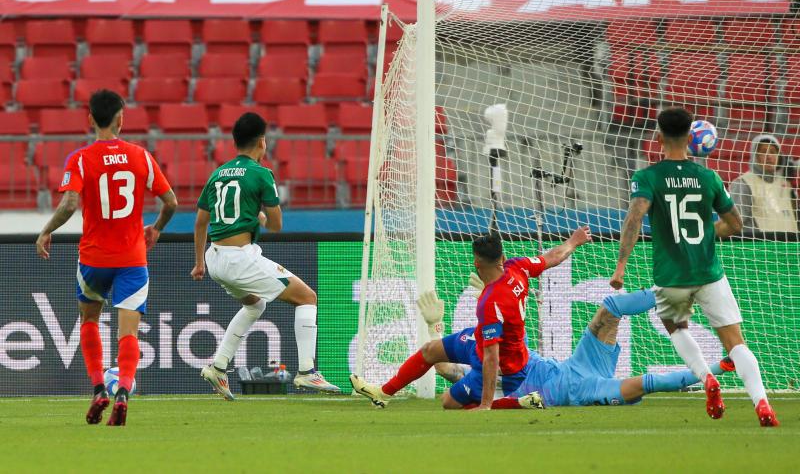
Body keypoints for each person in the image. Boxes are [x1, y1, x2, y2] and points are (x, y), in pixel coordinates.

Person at [610, 107, 779, 427]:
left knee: (676, 328)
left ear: (657, 138)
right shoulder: (708, 177)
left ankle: (707, 380)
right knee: (735, 342)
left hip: (671, 274)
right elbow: (735, 223)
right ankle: (763, 405)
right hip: (708, 271)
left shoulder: (647, 177)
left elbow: (634, 218)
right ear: (691, 138)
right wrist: (707, 233)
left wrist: (620, 268)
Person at [35, 89, 178, 426]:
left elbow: (70, 203)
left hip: (94, 259)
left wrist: (46, 230)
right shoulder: (141, 156)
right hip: (132, 258)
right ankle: (124, 392)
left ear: (90, 119)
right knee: (128, 333)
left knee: (89, 321)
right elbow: (171, 201)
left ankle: (99, 387)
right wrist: (156, 228)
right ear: (121, 119)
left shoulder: (81, 158)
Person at [350, 227, 592, 410]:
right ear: (502, 256)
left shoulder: (490, 303)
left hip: (504, 369)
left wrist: (485, 405)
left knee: (448, 402)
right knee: (430, 350)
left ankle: (517, 403)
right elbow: (552, 257)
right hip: (482, 345)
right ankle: (383, 394)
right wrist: (574, 241)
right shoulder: (518, 266)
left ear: (476, 263)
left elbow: (491, 358)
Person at [192, 112, 339, 400]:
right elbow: (276, 224)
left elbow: (200, 222)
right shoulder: (261, 174)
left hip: (215, 258)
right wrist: (259, 217)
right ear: (262, 142)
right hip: (240, 258)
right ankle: (308, 373)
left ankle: (219, 366)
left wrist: (199, 263)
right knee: (307, 297)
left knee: (254, 306)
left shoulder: (217, 173)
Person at [485, 289, 731, 409]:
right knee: (647, 383)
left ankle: (670, 293)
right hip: (583, 390)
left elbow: (513, 327)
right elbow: (528, 402)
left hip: (580, 362)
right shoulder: (498, 391)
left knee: (611, 307)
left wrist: (486, 294)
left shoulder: (514, 356)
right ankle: (717, 368)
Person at [729, 134, 799, 233]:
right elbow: (735, 223)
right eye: (763, 152)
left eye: (773, 152)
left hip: (790, 246)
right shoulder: (743, 183)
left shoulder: (786, 184)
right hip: (760, 246)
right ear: (754, 156)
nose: (769, 156)